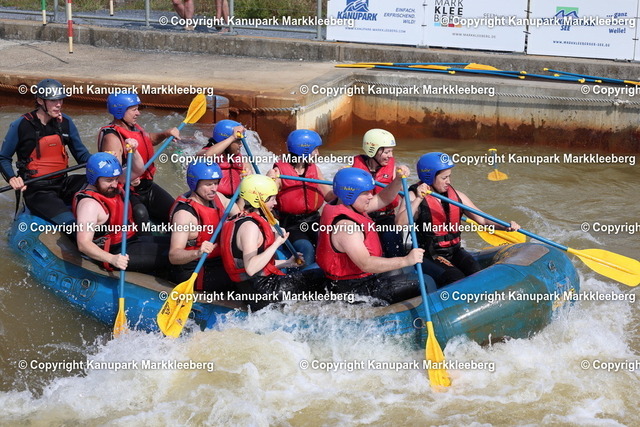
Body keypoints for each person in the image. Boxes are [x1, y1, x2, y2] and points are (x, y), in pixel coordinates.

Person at [396, 152, 521, 287]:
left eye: (449, 176)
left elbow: (483, 220)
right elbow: (399, 223)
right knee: (455, 277)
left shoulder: (457, 196)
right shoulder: (413, 196)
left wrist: (505, 226)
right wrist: (419, 199)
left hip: (455, 250)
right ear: (429, 177)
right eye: (444, 178)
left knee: (477, 272)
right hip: (429, 255)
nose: (448, 182)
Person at [316, 167, 426, 304]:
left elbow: (382, 198)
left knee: (399, 272)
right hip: (353, 289)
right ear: (349, 195)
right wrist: (406, 260)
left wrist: (398, 180)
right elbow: (366, 264)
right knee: (424, 282)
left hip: (359, 278)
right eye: (366, 193)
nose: (370, 196)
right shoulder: (346, 227)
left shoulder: (348, 205)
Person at [220, 174, 326, 310]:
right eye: (271, 199)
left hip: (254, 289)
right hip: (265, 293)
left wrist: (287, 263)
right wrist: (277, 243)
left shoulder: (239, 220)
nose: (275, 203)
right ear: (259, 200)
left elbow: (255, 265)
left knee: (311, 272)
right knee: (322, 273)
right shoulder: (250, 227)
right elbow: (251, 268)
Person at [0, 78, 91, 233]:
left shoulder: (65, 122)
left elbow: (82, 155)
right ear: (40, 101)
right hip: (38, 190)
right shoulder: (21, 125)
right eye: (53, 101)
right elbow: (3, 158)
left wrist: (103, 163)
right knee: (71, 225)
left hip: (63, 183)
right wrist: (12, 178)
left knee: (100, 183)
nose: (59, 104)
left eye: (60, 100)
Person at [73, 151, 170, 274]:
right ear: (94, 179)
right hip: (115, 252)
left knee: (181, 246)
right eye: (109, 180)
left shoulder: (109, 185)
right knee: (171, 254)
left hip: (131, 240)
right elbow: (83, 243)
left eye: (116, 179)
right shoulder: (89, 205)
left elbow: (138, 170)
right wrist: (112, 259)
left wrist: (134, 150)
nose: (115, 184)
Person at [98, 92, 177, 226]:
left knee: (175, 212)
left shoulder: (133, 127)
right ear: (120, 111)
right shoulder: (112, 137)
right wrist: (129, 176)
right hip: (126, 191)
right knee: (140, 214)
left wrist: (165, 134)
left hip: (147, 187)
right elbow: (111, 173)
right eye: (134, 109)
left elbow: (148, 139)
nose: (138, 113)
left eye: (137, 109)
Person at [168, 159, 239, 292]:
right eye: (208, 184)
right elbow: (174, 256)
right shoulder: (184, 215)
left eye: (216, 183)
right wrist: (198, 252)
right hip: (197, 270)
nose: (214, 189)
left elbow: (239, 216)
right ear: (194, 183)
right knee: (243, 277)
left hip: (217, 261)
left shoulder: (218, 198)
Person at [267, 129, 333, 266]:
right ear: (304, 151)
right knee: (306, 248)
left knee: (330, 241)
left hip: (314, 220)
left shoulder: (314, 169)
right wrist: (268, 181)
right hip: (291, 224)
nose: (318, 154)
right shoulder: (278, 173)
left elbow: (330, 196)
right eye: (315, 150)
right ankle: (304, 278)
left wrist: (343, 185)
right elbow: (265, 201)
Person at [351, 128, 404, 257]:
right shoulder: (354, 169)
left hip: (386, 217)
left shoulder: (394, 170)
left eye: (391, 151)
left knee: (393, 242)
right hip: (363, 217)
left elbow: (404, 195)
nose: (390, 156)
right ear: (372, 151)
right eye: (387, 152)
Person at [198, 119, 253, 198]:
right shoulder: (204, 153)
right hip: (215, 199)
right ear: (226, 140)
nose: (241, 144)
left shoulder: (240, 158)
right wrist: (233, 137)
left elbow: (249, 169)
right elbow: (207, 155)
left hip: (237, 198)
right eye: (237, 141)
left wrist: (249, 174)